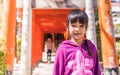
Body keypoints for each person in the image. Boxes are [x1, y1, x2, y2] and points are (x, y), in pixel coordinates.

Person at [53, 9, 101, 75]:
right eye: (73, 25)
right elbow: (57, 72)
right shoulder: (63, 49)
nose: (77, 29)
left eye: (81, 26)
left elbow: (97, 71)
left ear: (86, 27)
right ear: (68, 27)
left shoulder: (91, 47)